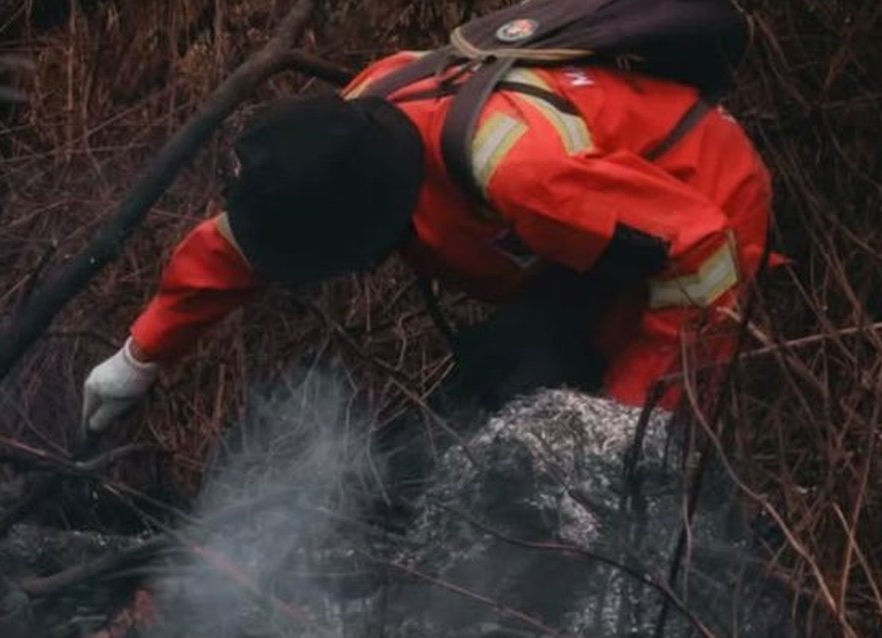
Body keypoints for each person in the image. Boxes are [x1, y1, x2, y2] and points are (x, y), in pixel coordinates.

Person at [81, 50, 773, 434]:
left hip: (691, 209)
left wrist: (630, 426)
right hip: (579, 231)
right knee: (499, 392)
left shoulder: (526, 175)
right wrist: (139, 356)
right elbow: (239, 243)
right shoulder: (348, 136)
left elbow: (701, 256)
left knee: (606, 427)